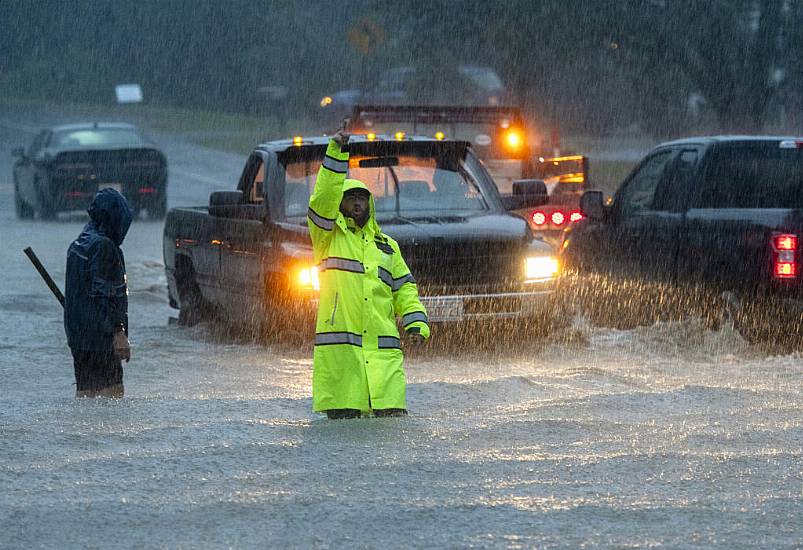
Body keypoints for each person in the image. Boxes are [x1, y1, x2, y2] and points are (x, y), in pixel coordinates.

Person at [307, 122, 430, 419]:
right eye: (351, 198)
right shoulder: (327, 237)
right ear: (340, 203)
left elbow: (404, 289)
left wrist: (417, 322)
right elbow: (322, 198)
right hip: (342, 370)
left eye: (362, 197)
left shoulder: (387, 246)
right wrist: (337, 152)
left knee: (391, 444)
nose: (357, 202)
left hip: (384, 368)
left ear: (370, 203)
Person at [64, 188, 133, 398]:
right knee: (113, 398)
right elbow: (105, 295)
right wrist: (118, 331)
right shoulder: (104, 247)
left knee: (86, 396)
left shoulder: (78, 244)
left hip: (78, 337)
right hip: (101, 340)